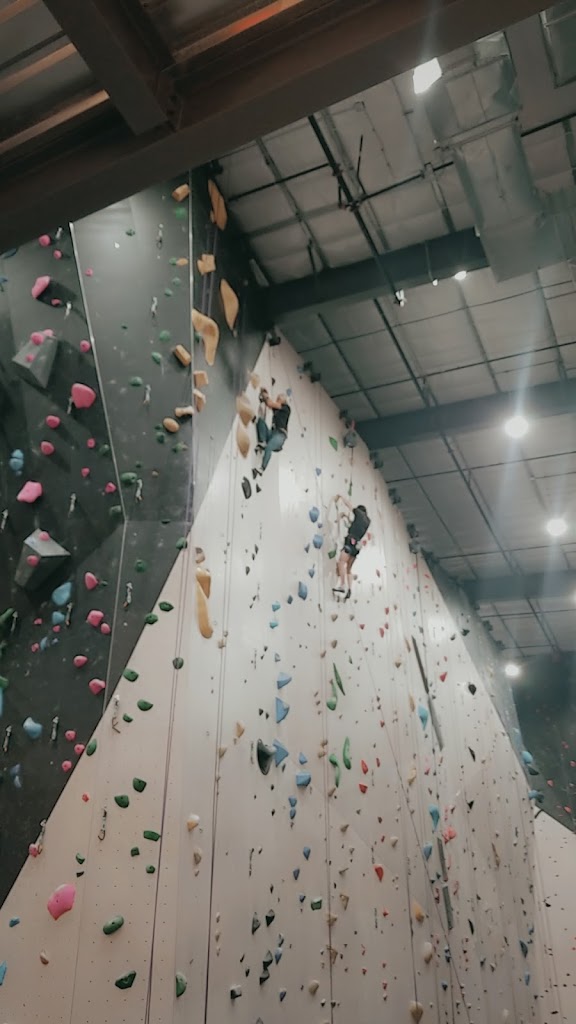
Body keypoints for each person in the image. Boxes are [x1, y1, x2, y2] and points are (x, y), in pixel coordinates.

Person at [334, 495, 370, 599]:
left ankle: (342, 585)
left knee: (341, 562)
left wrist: (341, 497)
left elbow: (349, 505)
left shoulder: (359, 513)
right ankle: (349, 589)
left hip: (350, 541)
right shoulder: (367, 521)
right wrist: (346, 517)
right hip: (357, 546)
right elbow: (355, 525)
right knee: (349, 569)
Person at [253, 388, 290, 474]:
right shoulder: (278, 409)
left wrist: (266, 396)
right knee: (261, 421)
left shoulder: (286, 408)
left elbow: (270, 403)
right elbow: (269, 405)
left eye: (278, 399)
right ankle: (262, 442)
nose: (277, 401)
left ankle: (262, 468)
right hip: (273, 433)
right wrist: (265, 399)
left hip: (280, 435)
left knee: (269, 447)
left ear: (283, 400)